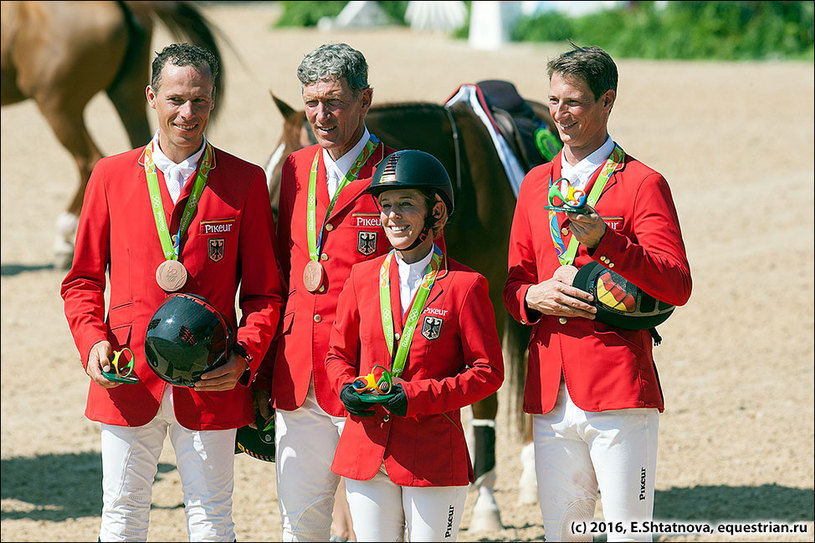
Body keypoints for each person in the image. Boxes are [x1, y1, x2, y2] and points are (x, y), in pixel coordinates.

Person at [60, 43, 284, 541]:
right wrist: (94, 344)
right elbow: (81, 281)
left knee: (211, 516)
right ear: (151, 97)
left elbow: (266, 294)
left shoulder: (244, 180)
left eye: (201, 100)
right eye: (177, 99)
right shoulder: (110, 175)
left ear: (213, 100)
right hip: (127, 374)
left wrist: (244, 357)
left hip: (212, 378)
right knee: (121, 513)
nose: (188, 113)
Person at [503, 45, 692, 542]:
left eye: (575, 102)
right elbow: (513, 284)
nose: (560, 114)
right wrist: (531, 299)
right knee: (562, 535)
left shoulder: (643, 183)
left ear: (607, 101)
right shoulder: (532, 185)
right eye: (554, 101)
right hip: (550, 390)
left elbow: (676, 282)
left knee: (630, 533)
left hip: (618, 385)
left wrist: (607, 244)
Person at [251, 42, 397, 541]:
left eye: (333, 101)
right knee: (300, 526)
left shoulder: (399, 172)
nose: (320, 115)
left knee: (377, 527)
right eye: (311, 102)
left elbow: (425, 282)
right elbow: (278, 276)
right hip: (297, 377)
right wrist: (265, 371)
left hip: (366, 378)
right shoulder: (292, 170)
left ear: (365, 99)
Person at [324, 149, 504, 541]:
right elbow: (337, 354)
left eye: (406, 204)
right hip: (367, 450)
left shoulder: (466, 285)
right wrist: (345, 388)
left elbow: (488, 373)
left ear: (435, 213)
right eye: (386, 205)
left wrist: (417, 396)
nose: (393, 216)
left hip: (433, 455)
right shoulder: (361, 277)